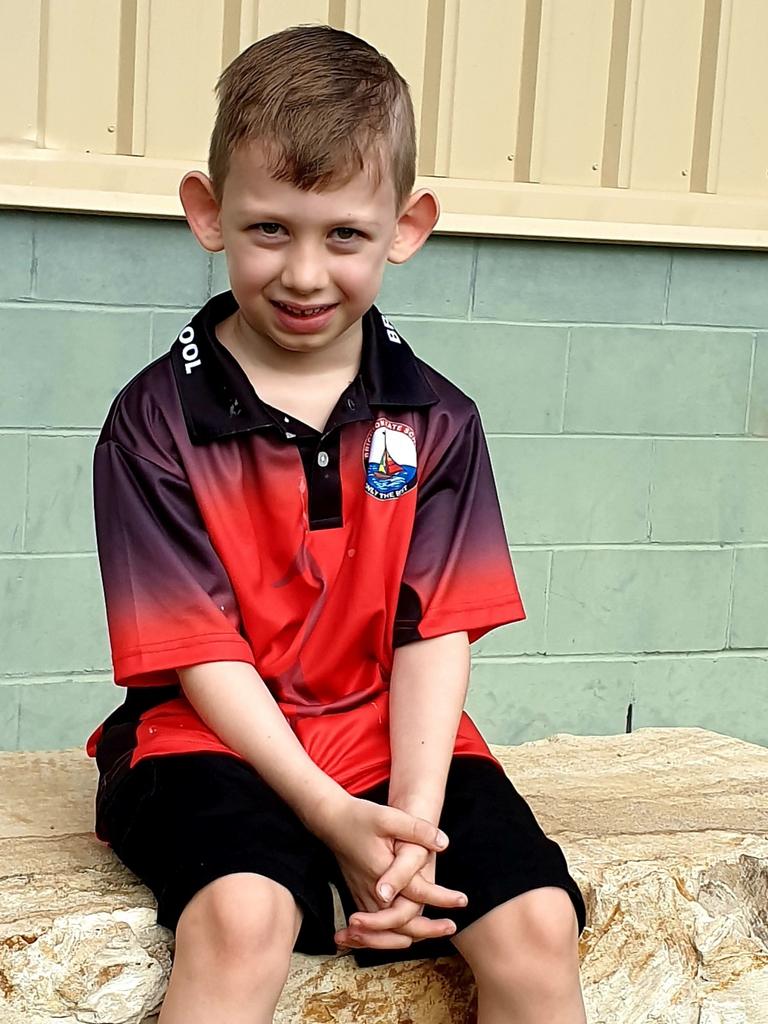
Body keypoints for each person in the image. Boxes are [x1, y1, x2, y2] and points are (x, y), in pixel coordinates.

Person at [86, 23, 588, 1024]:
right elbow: (197, 654)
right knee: (243, 917)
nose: (306, 272)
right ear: (208, 212)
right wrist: (324, 815)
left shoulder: (436, 419)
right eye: (271, 228)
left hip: (379, 727)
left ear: (405, 227)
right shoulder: (154, 423)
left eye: (344, 235)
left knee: (538, 926)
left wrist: (410, 825)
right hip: (204, 737)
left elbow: (434, 627)